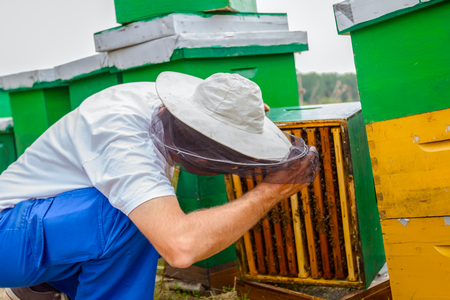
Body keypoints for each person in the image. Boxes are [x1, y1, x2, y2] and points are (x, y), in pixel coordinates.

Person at [0, 72, 319, 300]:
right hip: (7, 233)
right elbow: (181, 247)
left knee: (135, 210)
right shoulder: (125, 139)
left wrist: (244, 117)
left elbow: (219, 99)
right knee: (135, 216)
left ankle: (38, 288)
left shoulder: (174, 103)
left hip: (36, 224)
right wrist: (272, 190)